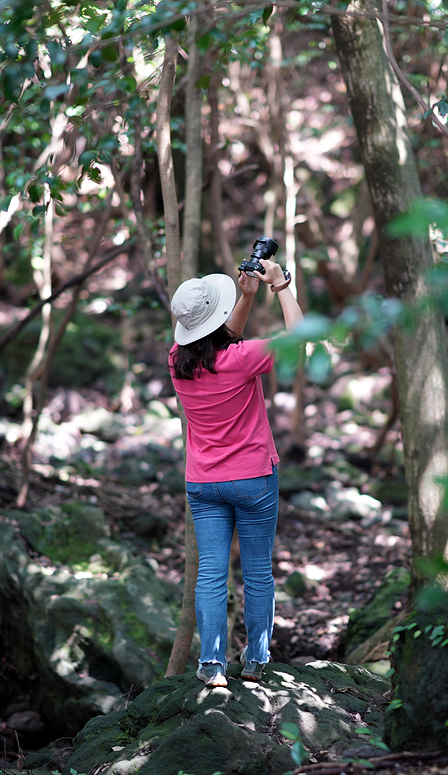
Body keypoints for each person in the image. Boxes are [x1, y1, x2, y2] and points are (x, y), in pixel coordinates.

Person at [168, 257, 303, 687]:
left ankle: (211, 666)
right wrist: (279, 286)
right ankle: (256, 660)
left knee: (211, 571)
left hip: (203, 482)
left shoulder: (177, 361)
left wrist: (245, 297)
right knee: (258, 571)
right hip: (252, 479)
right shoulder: (244, 358)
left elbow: (219, 340)